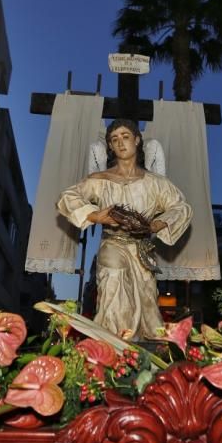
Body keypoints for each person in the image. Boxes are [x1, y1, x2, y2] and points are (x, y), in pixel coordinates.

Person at [57, 119, 192, 339]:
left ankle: (143, 349)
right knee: (114, 283)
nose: (120, 143)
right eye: (114, 139)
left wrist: (157, 224)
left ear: (137, 140)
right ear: (110, 146)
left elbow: (181, 206)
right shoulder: (100, 180)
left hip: (142, 249)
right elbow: (68, 197)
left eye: (125, 136)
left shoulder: (155, 183)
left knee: (147, 300)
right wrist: (95, 215)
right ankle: (114, 344)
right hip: (113, 243)